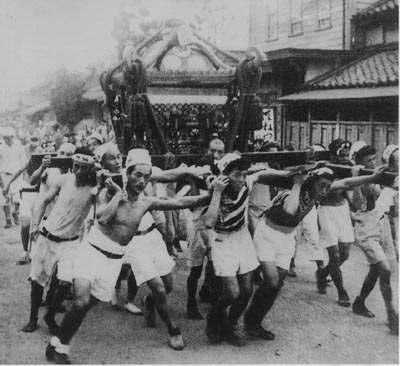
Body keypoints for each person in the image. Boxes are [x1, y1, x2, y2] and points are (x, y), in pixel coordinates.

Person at [45, 148, 212, 363]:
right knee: (80, 302)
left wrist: (211, 192)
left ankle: (56, 343)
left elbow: (180, 203)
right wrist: (117, 195)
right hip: (92, 251)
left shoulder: (146, 202)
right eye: (137, 175)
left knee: (87, 305)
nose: (142, 181)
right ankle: (62, 347)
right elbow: (103, 219)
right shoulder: (108, 190)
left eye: (146, 176)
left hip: (113, 260)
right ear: (127, 174)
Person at [244, 165, 386, 340]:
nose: (325, 190)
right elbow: (289, 210)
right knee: (272, 282)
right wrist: (296, 184)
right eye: (322, 185)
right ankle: (249, 319)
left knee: (276, 285)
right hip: (267, 235)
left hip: (287, 239)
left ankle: (254, 322)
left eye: (328, 186)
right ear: (311, 181)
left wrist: (372, 177)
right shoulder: (295, 189)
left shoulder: (318, 190)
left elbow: (347, 182)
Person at [204, 152, 292, 347]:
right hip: (222, 240)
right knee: (232, 293)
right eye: (237, 175)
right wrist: (217, 192)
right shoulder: (215, 190)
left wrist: (289, 175)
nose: (242, 179)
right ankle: (213, 315)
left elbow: (261, 173)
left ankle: (229, 326)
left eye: (244, 174)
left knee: (247, 289)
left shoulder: (246, 183)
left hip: (242, 237)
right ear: (224, 175)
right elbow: (209, 222)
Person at [22, 148, 96, 334]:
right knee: (38, 281)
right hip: (47, 236)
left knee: (65, 283)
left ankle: (50, 315)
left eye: (83, 168)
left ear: (90, 169)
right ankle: (33, 319)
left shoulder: (95, 188)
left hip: (70, 242)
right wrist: (36, 225)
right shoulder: (64, 180)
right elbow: (43, 201)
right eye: (76, 166)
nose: (78, 171)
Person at [348, 145, 399, 335]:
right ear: (360, 161)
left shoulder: (374, 174)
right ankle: (391, 313)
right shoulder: (354, 178)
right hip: (365, 226)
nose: (372, 163)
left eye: (373, 160)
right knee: (384, 269)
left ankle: (360, 301)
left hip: (380, 221)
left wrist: (378, 178)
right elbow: (358, 203)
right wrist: (357, 179)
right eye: (368, 161)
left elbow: (378, 196)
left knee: (377, 270)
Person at [186, 137, 226, 318]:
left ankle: (208, 292)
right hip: (197, 224)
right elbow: (191, 201)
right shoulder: (197, 169)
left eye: (220, 152)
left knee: (215, 264)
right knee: (195, 269)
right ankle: (190, 303)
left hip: (215, 225)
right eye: (212, 151)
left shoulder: (224, 171)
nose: (216, 155)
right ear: (206, 150)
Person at [316, 139, 354, 304]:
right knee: (335, 254)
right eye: (341, 155)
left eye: (347, 155)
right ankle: (342, 293)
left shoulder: (351, 167)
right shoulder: (324, 168)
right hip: (326, 211)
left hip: (342, 210)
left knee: (344, 255)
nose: (345, 158)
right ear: (332, 154)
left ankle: (323, 273)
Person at [0, 126, 28, 228]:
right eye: (4, 138)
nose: (5, 140)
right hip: (4, 175)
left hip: (17, 175)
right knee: (5, 198)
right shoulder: (1, 147)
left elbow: (24, 162)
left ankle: (16, 212)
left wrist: (24, 174)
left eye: (7, 138)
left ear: (12, 137)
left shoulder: (19, 147)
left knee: (17, 198)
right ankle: (8, 220)